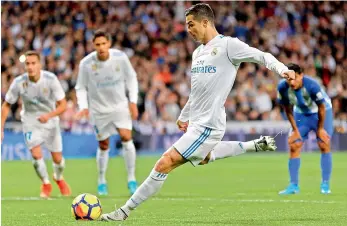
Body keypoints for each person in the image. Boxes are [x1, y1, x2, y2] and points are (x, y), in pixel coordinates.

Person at [101, 3, 295, 221]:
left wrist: (283, 69)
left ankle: (123, 211)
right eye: (186, 25)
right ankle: (256, 145)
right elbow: (197, 92)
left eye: (191, 24)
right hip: (196, 122)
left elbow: (262, 56)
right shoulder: (197, 53)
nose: (188, 29)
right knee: (203, 158)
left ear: (206, 22)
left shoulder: (228, 46)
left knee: (165, 162)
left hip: (209, 124)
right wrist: (184, 115)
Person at [75, 30, 139, 196]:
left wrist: (133, 100)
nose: (101, 47)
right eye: (98, 44)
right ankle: (101, 180)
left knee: (126, 137)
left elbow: (131, 78)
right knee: (104, 145)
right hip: (99, 110)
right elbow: (80, 87)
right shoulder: (86, 64)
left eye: (104, 44)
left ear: (109, 44)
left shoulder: (120, 57)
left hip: (119, 107)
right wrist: (83, 106)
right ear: (93, 46)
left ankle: (131, 179)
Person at [1, 51, 71, 198]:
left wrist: (49, 115)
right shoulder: (19, 82)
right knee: (35, 154)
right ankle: (46, 183)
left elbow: (63, 105)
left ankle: (58, 178)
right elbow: (7, 105)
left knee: (58, 159)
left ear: (40, 64)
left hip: (50, 120)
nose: (30, 67)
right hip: (30, 121)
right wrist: (0, 127)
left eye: (33, 63)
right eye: (27, 64)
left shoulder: (51, 79)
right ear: (24, 65)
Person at [277, 63, 333, 195]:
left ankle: (325, 184)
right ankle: (293, 185)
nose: (291, 82)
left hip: (321, 112)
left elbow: (322, 107)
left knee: (324, 144)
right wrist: (295, 129)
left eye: (294, 77)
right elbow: (287, 109)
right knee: (294, 145)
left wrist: (320, 129)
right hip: (301, 114)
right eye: (288, 78)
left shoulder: (312, 85)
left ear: (301, 75)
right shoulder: (282, 88)